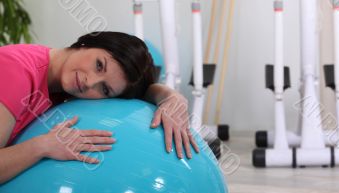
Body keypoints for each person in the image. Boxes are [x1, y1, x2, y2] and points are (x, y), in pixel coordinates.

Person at [0, 31, 199, 184]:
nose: (89, 82)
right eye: (99, 65)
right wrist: (42, 146)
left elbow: (141, 92)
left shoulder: (60, 86)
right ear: (88, 43)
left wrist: (172, 97)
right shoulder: (16, 72)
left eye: (104, 89)